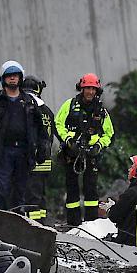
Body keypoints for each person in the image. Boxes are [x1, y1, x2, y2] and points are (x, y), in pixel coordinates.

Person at [0, 60, 47, 211]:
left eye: (15, 75)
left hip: (23, 152)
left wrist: (42, 150)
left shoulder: (29, 102)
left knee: (20, 190)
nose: (12, 78)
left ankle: (17, 223)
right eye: (9, 76)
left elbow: (40, 129)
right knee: (2, 189)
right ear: (3, 78)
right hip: (3, 152)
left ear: (20, 78)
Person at [55, 73, 114, 226]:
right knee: (72, 187)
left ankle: (91, 224)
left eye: (93, 89)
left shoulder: (101, 111)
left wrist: (98, 146)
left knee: (91, 189)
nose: (90, 92)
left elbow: (109, 133)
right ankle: (73, 223)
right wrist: (68, 141)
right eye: (87, 88)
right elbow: (58, 124)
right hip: (72, 152)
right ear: (81, 88)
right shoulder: (70, 105)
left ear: (97, 90)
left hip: (91, 154)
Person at [20, 75, 54, 223]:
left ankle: (34, 227)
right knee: (40, 196)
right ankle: (42, 225)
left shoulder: (26, 108)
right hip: (45, 161)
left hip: (31, 160)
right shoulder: (47, 110)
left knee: (31, 198)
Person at [104, 155, 137, 248]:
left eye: (132, 166)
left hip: (127, 246)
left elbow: (115, 216)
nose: (129, 169)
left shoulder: (132, 193)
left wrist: (109, 209)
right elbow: (132, 213)